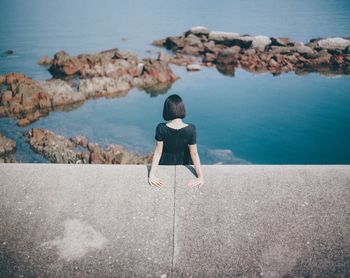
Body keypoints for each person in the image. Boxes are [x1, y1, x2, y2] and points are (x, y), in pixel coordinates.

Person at [148, 94, 204, 188]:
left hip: (165, 163)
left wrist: (152, 175)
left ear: (167, 110)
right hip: (184, 163)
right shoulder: (191, 129)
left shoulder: (161, 128)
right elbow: (194, 154)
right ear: (182, 108)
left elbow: (158, 152)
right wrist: (200, 177)